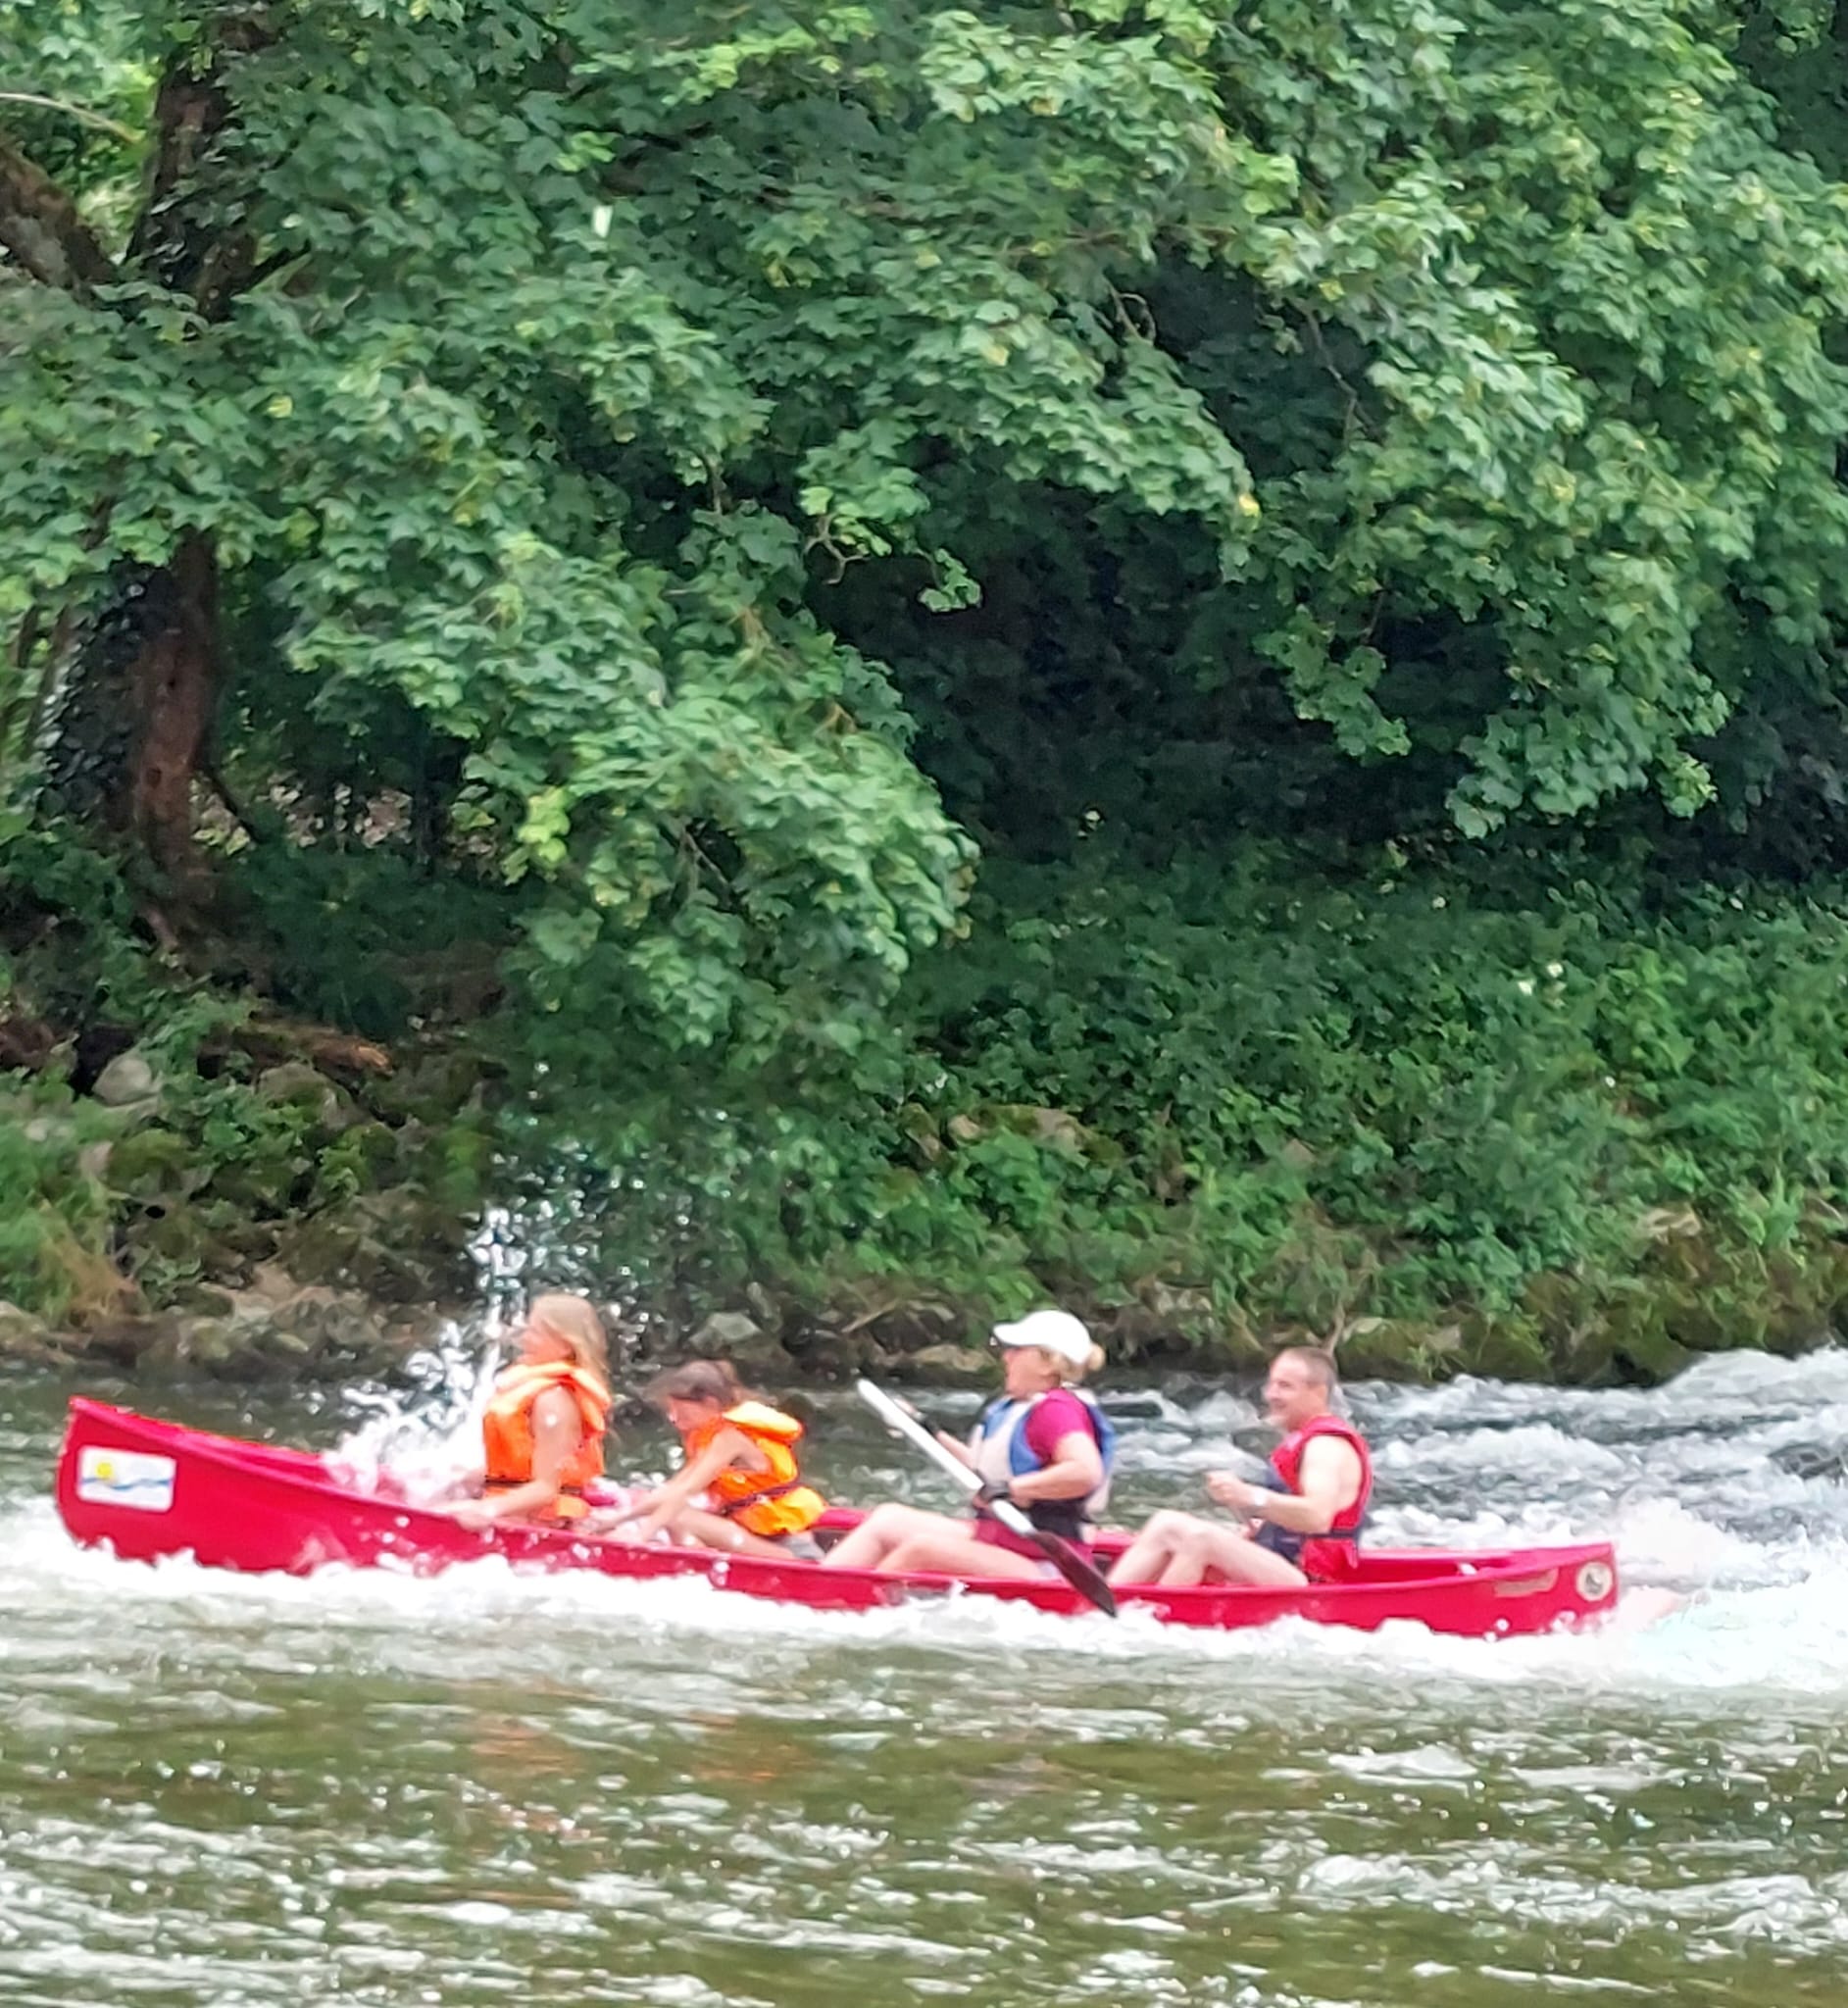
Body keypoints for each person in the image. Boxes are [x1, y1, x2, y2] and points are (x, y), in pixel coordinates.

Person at [823, 1308, 1116, 1581]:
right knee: (889, 1520)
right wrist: (929, 1429)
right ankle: (821, 1584)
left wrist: (1011, 1490)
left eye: (1016, 1350)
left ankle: (850, 1603)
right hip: (1006, 1542)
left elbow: (1084, 1472)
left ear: (1046, 1362)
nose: (1006, 1357)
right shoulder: (1022, 1407)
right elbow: (984, 1473)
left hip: (1047, 1563)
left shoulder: (1056, 1410)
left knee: (923, 1549)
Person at [1108, 1345, 1371, 1588]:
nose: (1271, 1394)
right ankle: (1109, 1602)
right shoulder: (1305, 1440)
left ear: (1319, 1393)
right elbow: (1289, 1519)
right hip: (1282, 1563)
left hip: (1309, 1579)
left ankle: (1156, 1615)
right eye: (1272, 1384)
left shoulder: (1325, 1446)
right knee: (1167, 1523)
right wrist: (1252, 1517)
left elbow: (1317, 1517)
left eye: (1285, 1386)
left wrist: (1251, 1496)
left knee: (1201, 1540)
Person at [607, 1360, 829, 1560]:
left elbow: (685, 1493)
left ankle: (695, 1566)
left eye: (682, 1411)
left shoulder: (730, 1439)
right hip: (761, 1536)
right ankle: (693, 1564)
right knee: (675, 1514)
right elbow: (673, 1489)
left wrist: (641, 1536)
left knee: (678, 1516)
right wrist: (616, 1520)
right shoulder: (711, 1438)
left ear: (711, 1404)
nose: (673, 1418)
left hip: (790, 1548)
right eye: (671, 1409)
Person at [447, 1293, 613, 1529]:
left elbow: (546, 1489)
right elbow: (521, 1471)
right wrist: (466, 1477)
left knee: (440, 1514)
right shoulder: (539, 1394)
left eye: (535, 1332)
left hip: (541, 1521)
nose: (524, 1339)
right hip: (516, 1510)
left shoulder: (554, 1401)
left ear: (565, 1345)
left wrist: (486, 1509)